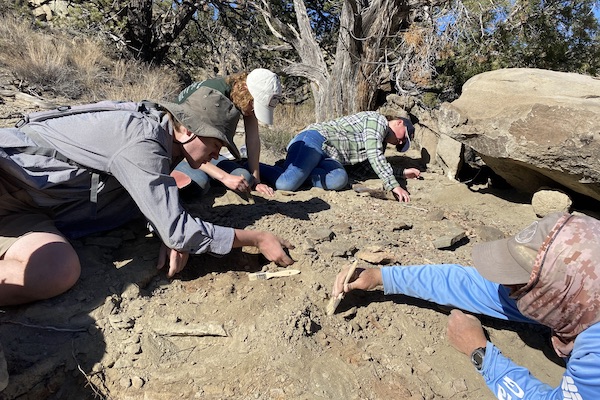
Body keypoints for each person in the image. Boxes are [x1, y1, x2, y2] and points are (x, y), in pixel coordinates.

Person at [0, 86, 294, 307]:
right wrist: (257, 238)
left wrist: (163, 224)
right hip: (9, 174)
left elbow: (160, 206)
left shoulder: (167, 144)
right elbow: (178, 230)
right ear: (188, 131)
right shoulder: (142, 139)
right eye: (216, 142)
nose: (217, 154)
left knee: (57, 270)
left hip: (27, 211)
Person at [332, 211, 600, 398]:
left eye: (520, 285)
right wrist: (382, 276)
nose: (509, 288)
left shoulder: (595, 351)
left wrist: (480, 352)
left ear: (556, 296)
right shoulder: (584, 294)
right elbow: (474, 286)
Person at [257, 111, 421, 202]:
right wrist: (394, 185)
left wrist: (401, 173)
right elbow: (374, 155)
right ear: (399, 122)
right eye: (403, 138)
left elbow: (372, 165)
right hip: (314, 140)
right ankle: (247, 164)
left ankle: (295, 170)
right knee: (286, 184)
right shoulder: (378, 121)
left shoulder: (380, 142)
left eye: (402, 145)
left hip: (329, 157)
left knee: (339, 179)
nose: (399, 142)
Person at [172, 68, 282, 197]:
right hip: (182, 151)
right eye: (254, 106)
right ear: (245, 89)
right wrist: (224, 177)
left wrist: (256, 181)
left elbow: (253, 140)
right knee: (198, 184)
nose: (254, 111)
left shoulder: (241, 96)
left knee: (246, 179)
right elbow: (193, 148)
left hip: (206, 152)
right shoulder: (213, 98)